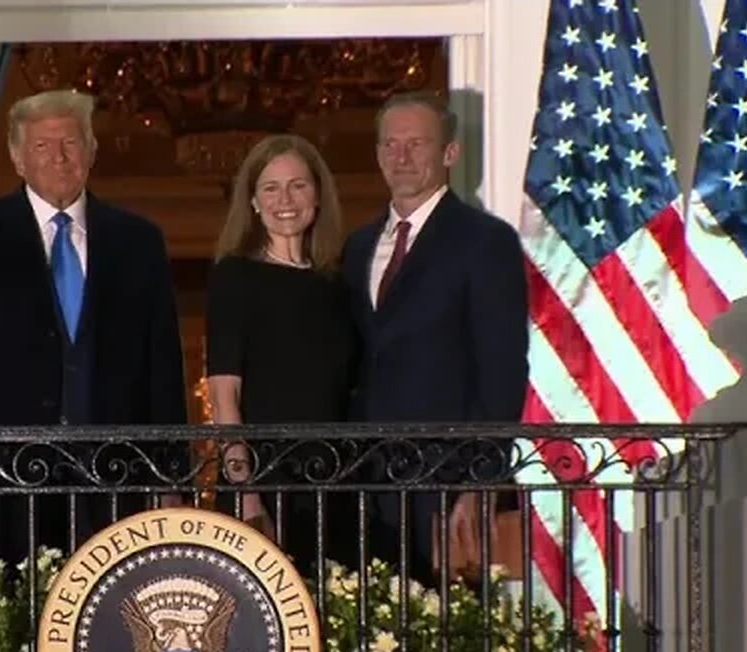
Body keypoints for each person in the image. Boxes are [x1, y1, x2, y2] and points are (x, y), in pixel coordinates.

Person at [0, 90, 188, 592]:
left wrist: (172, 475)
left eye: (70, 142)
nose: (59, 157)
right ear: (17, 158)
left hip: (111, 479)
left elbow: (162, 364)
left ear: (91, 150)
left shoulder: (138, 241)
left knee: (105, 629)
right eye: (42, 146)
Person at [342, 91, 529, 585]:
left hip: (448, 486)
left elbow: (503, 370)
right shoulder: (358, 246)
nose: (401, 157)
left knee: (450, 647)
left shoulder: (485, 241)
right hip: (370, 488)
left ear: (450, 153)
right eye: (390, 144)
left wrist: (480, 481)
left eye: (417, 144)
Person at [204, 134, 356, 573]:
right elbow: (224, 392)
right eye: (270, 188)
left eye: (298, 186)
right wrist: (245, 488)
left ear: (318, 196)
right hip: (265, 480)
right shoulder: (234, 276)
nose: (284, 200)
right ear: (252, 200)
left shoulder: (338, 283)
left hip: (336, 478)